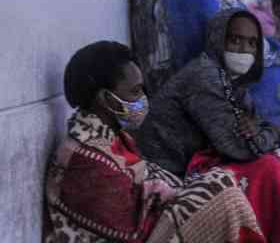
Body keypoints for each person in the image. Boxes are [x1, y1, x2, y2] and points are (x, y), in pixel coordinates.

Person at [137, 9, 280, 242]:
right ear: (218, 39)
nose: (243, 49)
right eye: (235, 40)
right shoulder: (205, 76)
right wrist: (271, 131)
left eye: (251, 43)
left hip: (195, 165)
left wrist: (262, 132)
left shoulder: (231, 82)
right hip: (169, 174)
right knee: (269, 168)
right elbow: (240, 147)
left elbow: (257, 130)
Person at [44, 41, 265, 243]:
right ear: (105, 99)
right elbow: (135, 229)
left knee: (224, 182)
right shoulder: (84, 161)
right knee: (223, 198)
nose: (143, 100)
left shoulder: (112, 139)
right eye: (135, 91)